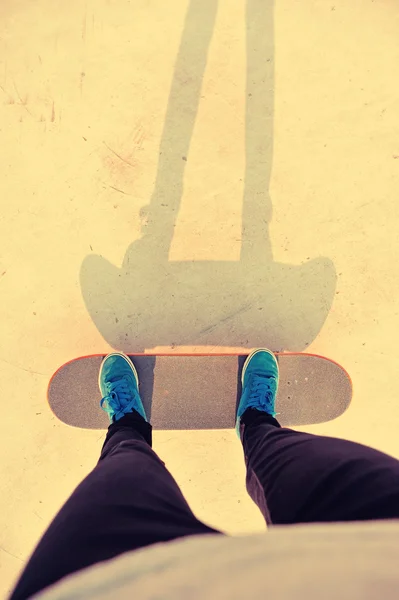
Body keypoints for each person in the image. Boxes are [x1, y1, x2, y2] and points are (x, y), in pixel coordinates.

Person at [10, 349, 399, 600]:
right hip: (377, 550)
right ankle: (257, 420)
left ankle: (128, 424)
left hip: (111, 585)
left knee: (124, 471)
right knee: (292, 458)